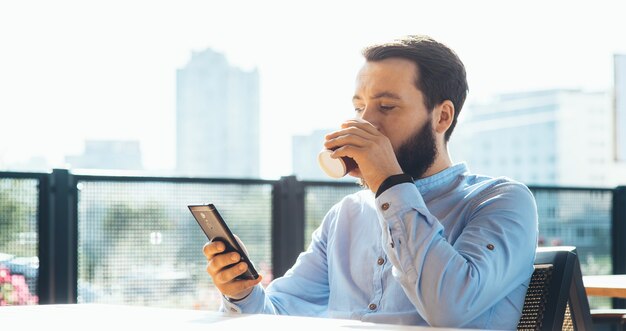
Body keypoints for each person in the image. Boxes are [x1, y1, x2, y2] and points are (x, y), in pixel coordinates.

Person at [203, 35, 538, 330]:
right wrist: (243, 293)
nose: (365, 123)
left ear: (442, 116)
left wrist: (389, 183)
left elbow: (451, 310)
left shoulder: (501, 201)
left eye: (386, 107)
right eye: (359, 107)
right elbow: (279, 314)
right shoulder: (345, 215)